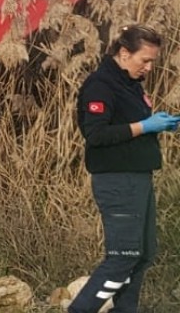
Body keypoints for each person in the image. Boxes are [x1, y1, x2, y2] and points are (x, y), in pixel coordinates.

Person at [67, 26, 180, 313]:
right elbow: (96, 135)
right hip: (117, 182)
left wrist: (158, 123)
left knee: (142, 256)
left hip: (138, 179)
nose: (149, 68)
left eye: (153, 61)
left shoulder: (130, 84)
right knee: (123, 256)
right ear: (124, 53)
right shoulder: (100, 85)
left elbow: (127, 127)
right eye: (145, 60)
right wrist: (145, 126)